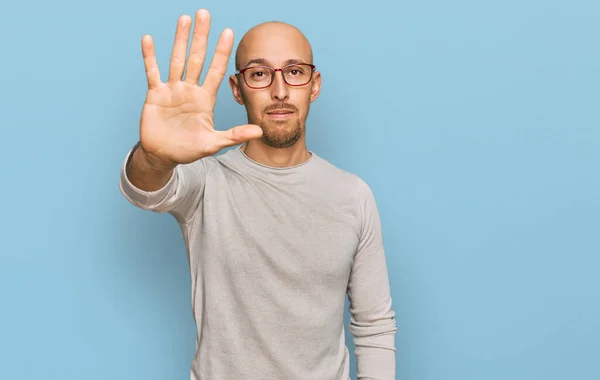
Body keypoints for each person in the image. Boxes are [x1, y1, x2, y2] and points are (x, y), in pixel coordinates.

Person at [118, 8, 397, 380]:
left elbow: (374, 324)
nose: (279, 91)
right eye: (260, 74)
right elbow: (145, 189)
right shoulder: (204, 182)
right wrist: (153, 155)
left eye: (294, 72)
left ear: (314, 85)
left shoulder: (353, 195)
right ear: (237, 89)